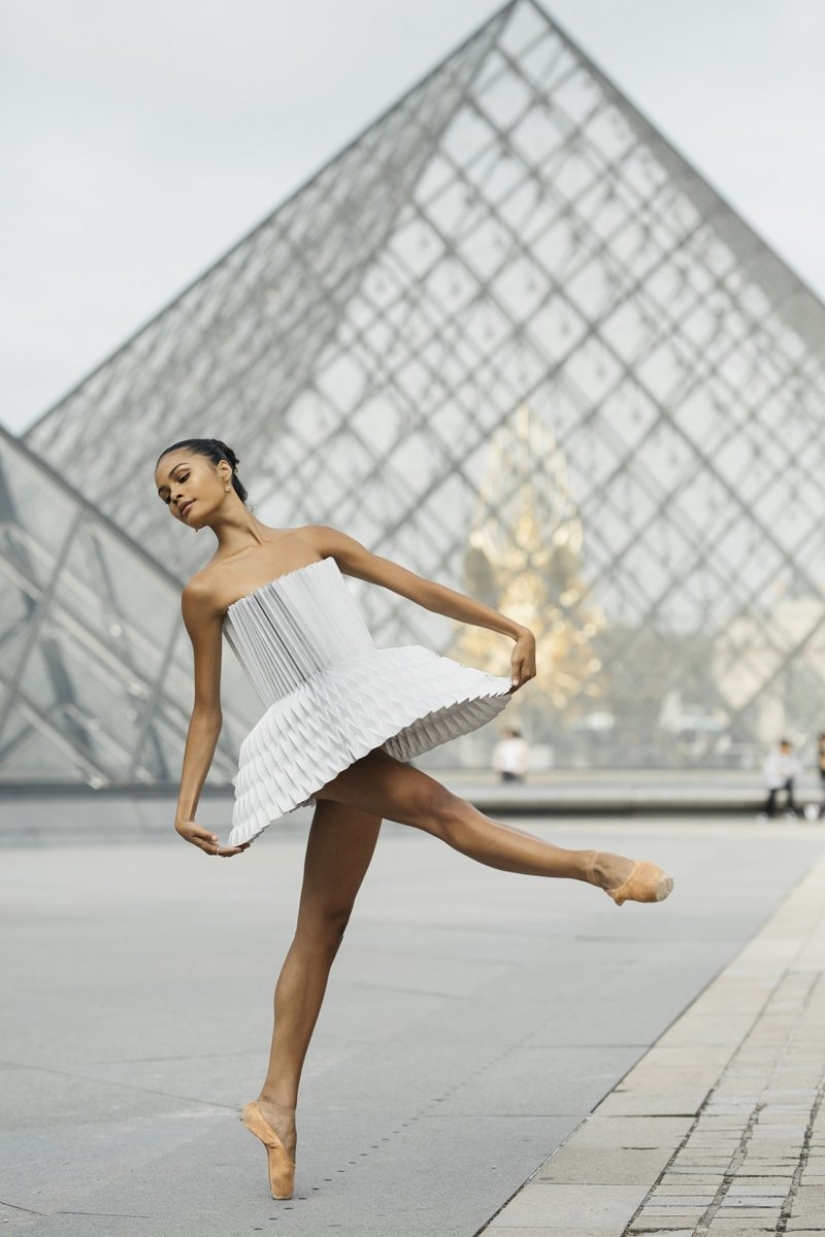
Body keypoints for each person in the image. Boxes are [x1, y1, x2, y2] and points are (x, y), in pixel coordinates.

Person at [154, 437, 675, 1201]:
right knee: (439, 808)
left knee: (322, 922)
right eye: (164, 493)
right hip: (314, 737)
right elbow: (207, 707)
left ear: (224, 469)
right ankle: (594, 866)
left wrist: (510, 626)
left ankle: (276, 1102)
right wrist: (184, 804)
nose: (174, 496)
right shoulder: (203, 591)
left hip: (361, 712)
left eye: (181, 476)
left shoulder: (317, 541)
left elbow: (416, 587)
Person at [758, 739, 802, 820]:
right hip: (775, 781)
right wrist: (778, 774)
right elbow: (768, 770)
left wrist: (788, 773)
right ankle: (767, 813)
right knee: (772, 794)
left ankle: (789, 812)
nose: (785, 750)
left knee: (790, 790)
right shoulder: (773, 757)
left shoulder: (792, 758)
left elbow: (797, 771)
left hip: (787, 782)